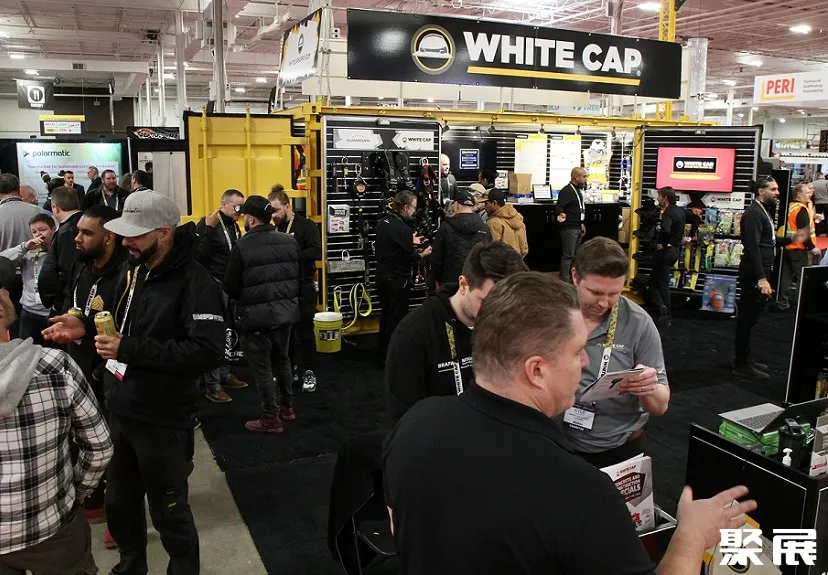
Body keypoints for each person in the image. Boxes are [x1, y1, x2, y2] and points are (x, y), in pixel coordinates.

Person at [383, 271, 758, 575]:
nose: (585, 362)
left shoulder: (415, 425)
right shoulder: (581, 493)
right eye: (577, 351)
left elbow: (400, 525)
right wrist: (691, 536)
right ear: (537, 370)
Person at [43, 191, 225, 575]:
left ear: (164, 232)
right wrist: (84, 325)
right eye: (124, 234)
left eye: (135, 235)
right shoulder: (136, 269)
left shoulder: (196, 283)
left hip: (164, 418)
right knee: (120, 504)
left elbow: (206, 352)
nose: (126, 242)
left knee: (169, 511)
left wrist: (129, 349)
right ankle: (130, 567)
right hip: (122, 409)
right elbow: (121, 320)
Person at [0, 256, 113, 575]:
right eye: (4, 289)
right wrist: (74, 493)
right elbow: (100, 446)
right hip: (52, 529)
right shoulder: (54, 366)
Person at [554, 237, 671, 468]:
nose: (604, 303)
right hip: (557, 442)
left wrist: (647, 387)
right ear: (575, 276)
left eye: (614, 294)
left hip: (619, 449)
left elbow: (660, 406)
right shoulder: (552, 313)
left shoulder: (639, 323)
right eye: (596, 292)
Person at [386, 241, 527, 425]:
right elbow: (404, 420)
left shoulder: (510, 326)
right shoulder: (413, 335)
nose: (498, 314)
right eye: (487, 302)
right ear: (463, 284)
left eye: (507, 305)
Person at [61, 204, 125, 540]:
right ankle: (95, 500)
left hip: (109, 375)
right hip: (78, 369)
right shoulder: (81, 266)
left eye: (87, 233)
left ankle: (120, 516)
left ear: (109, 236)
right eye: (78, 231)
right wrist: (68, 323)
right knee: (82, 438)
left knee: (113, 445)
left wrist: (102, 372)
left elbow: (129, 331)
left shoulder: (126, 275)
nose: (78, 238)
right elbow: (74, 306)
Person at [223, 195, 300, 434]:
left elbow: (230, 286)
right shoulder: (289, 241)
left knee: (263, 368)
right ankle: (287, 407)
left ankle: (270, 417)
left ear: (251, 219)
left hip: (256, 319)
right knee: (282, 360)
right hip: (285, 315)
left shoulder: (242, 246)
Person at [734, 176, 807, 380]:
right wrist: (761, 278)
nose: (777, 193)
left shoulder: (761, 211)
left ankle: (745, 359)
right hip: (753, 274)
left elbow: (768, 242)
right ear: (761, 191)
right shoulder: (754, 214)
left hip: (760, 271)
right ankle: (741, 363)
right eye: (773, 189)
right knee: (746, 319)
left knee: (751, 319)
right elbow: (753, 247)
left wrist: (791, 239)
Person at [195, 189, 248, 403]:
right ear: (223, 204)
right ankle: (212, 385)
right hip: (213, 289)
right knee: (214, 335)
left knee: (228, 332)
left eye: (242, 207)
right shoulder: (208, 224)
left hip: (230, 288)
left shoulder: (234, 225)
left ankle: (224, 375)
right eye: (236, 207)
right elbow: (198, 257)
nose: (240, 211)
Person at [269, 184, 322, 393]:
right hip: (282, 289)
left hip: (303, 287)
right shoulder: (274, 229)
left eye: (276, 210)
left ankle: (309, 371)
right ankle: (290, 370)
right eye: (270, 212)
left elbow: (316, 252)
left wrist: (289, 255)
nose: (273, 215)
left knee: (305, 332)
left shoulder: (306, 226)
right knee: (284, 334)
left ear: (287, 206)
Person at [375, 191, 432, 358]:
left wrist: (408, 240)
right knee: (396, 317)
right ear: (405, 207)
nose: (414, 211)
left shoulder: (383, 222)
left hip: (382, 276)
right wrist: (424, 254)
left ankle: (383, 350)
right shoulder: (403, 229)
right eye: (413, 208)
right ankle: (392, 353)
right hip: (398, 280)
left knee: (386, 314)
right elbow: (412, 257)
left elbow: (393, 243)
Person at [0, 173, 44, 336]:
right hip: (35, 277)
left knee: (11, 325)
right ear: (18, 190)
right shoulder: (39, 211)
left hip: (6, 280)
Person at [0, 214, 55, 344]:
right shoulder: (28, 252)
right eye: (34, 232)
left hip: (52, 311)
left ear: (53, 229)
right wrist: (24, 247)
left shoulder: (59, 252)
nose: (38, 234)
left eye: (42, 230)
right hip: (30, 312)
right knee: (26, 349)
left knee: (54, 350)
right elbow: (3, 261)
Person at [427, 188, 491, 293]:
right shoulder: (485, 228)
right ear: (472, 206)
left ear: (456, 205)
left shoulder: (446, 227)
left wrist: (436, 279)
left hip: (450, 283)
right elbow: (489, 257)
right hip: (476, 282)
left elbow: (436, 259)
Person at [38, 186, 82, 317]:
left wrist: (58, 304)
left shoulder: (67, 231)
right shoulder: (83, 223)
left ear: (55, 207)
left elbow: (67, 270)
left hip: (67, 303)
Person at [778, 183, 821, 311]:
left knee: (786, 277)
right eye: (807, 192)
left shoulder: (790, 207)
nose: (809, 195)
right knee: (802, 278)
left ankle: (783, 303)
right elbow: (804, 233)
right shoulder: (801, 209)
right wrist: (812, 247)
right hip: (798, 249)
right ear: (798, 194)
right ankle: (799, 306)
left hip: (787, 247)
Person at [649, 186, 686, 327]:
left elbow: (665, 230)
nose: (657, 199)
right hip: (675, 251)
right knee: (654, 281)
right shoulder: (680, 211)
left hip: (666, 252)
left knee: (662, 284)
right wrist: (690, 235)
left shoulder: (668, 214)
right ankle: (662, 307)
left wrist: (663, 244)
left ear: (665, 198)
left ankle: (665, 312)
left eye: (659, 196)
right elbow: (695, 219)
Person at [556, 166, 588, 282]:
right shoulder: (567, 191)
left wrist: (581, 223)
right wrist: (561, 214)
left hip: (577, 226)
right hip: (569, 228)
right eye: (584, 176)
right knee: (568, 255)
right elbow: (559, 206)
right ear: (576, 177)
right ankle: (564, 280)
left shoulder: (577, 190)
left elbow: (578, 208)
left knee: (575, 256)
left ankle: (572, 278)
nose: (585, 178)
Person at [482, 188, 528, 257]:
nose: (484, 207)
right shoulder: (518, 217)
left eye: (486, 203)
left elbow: (492, 250)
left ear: (494, 203)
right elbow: (524, 247)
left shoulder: (493, 222)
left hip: (500, 261)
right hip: (518, 261)